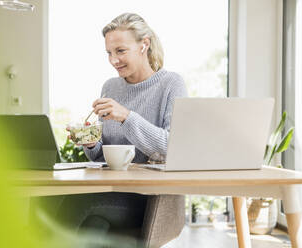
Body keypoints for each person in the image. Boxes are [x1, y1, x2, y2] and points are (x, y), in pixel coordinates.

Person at [31, 13, 187, 246]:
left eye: (121, 51)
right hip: (108, 189)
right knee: (86, 222)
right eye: (109, 53)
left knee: (79, 203)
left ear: (144, 45)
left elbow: (173, 147)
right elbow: (102, 156)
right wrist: (91, 142)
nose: (114, 60)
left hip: (149, 199)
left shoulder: (171, 84)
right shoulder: (110, 86)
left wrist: (126, 116)